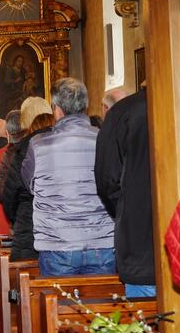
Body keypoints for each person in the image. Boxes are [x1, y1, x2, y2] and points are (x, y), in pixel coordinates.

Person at [21, 78, 115, 276]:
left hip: (57, 242)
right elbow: (115, 185)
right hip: (101, 242)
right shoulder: (104, 138)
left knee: (59, 297)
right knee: (102, 297)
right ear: (85, 106)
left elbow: (30, 185)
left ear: (56, 109)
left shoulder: (39, 144)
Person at [95, 88, 155, 297]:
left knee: (146, 315)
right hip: (143, 250)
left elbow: (107, 181)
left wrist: (126, 209)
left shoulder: (123, 112)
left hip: (141, 247)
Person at [0, 97, 54, 260]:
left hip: (29, 229)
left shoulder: (21, 149)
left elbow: (9, 195)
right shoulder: (64, 142)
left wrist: (19, 217)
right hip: (60, 233)